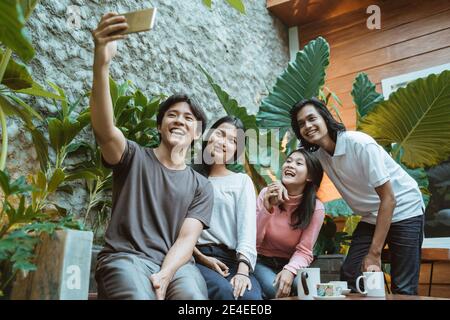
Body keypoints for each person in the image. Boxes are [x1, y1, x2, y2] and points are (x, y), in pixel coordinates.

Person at [90, 12, 214, 300]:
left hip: (178, 266)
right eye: (172, 115)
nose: (180, 120)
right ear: (160, 125)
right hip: (125, 258)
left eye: (188, 118)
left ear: (197, 133)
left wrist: (165, 274)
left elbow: (186, 240)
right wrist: (102, 63)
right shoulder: (132, 156)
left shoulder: (200, 185)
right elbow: (105, 129)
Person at [290, 97, 425, 295]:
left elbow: (389, 198)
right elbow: (297, 170)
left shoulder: (359, 144)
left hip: (405, 210)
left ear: (325, 118)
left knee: (403, 288)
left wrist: (374, 252)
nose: (308, 126)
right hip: (371, 216)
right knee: (350, 273)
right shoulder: (319, 154)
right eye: (301, 124)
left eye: (312, 118)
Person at [192, 116, 262, 300]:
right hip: (197, 256)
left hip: (232, 260)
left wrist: (242, 271)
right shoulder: (190, 177)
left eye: (232, 141)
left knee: (251, 298)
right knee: (224, 292)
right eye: (220, 134)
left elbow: (247, 230)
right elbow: (177, 227)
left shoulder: (241, 181)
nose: (224, 142)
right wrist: (200, 257)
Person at [253, 149, 325, 299]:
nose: (290, 165)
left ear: (310, 176)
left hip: (293, 263)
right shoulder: (266, 194)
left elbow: (305, 251)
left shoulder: (315, 207)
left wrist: (290, 270)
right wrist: (268, 208)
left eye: (299, 163)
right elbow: (253, 241)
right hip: (261, 261)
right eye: (288, 161)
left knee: (308, 291)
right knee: (276, 291)